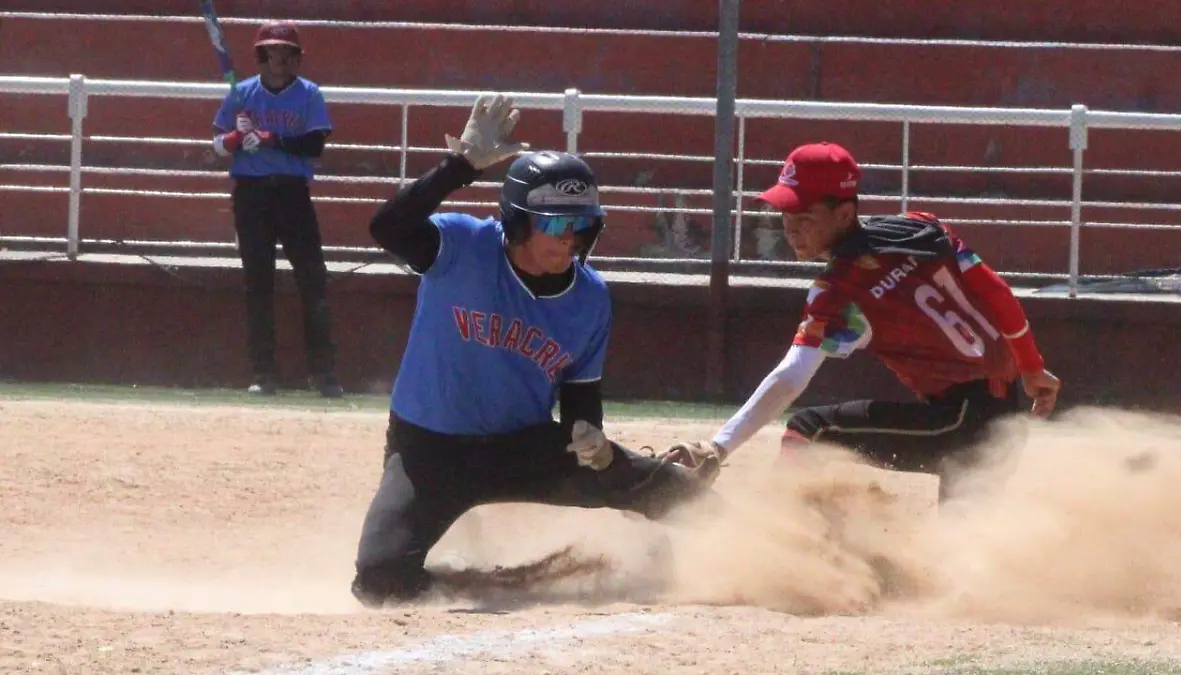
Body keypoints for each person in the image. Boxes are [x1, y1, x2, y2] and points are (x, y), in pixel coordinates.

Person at [349, 93, 719, 607]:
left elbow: (581, 402)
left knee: (659, 486)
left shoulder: (589, 297)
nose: (568, 238)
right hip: (428, 452)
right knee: (380, 580)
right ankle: (496, 585)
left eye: (580, 225)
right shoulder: (461, 246)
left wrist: (592, 438)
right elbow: (385, 228)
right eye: (554, 223)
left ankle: (789, 548)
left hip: (522, 447)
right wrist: (459, 167)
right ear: (518, 221)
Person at [666, 142, 1062, 502]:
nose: (790, 226)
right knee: (960, 555)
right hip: (1000, 411)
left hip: (959, 421)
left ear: (844, 213)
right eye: (786, 212)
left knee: (811, 430)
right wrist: (1031, 367)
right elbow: (998, 295)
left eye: (805, 215)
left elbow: (792, 376)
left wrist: (718, 448)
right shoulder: (922, 228)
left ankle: (778, 532)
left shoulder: (837, 291)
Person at [211, 20, 342, 398]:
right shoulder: (242, 94)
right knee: (258, 283)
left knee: (312, 281)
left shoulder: (309, 95)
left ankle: (324, 373)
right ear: (262, 56)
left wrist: (273, 139)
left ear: (296, 58)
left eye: (288, 53)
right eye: (273, 53)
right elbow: (218, 146)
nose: (280, 60)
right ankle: (263, 372)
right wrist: (236, 138)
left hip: (292, 194)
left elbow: (315, 145)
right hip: (252, 196)